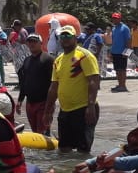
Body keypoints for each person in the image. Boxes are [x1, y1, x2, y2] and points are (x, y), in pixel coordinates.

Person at [43, 25, 100, 153]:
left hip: (84, 109)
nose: (65, 39)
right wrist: (47, 111)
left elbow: (93, 81)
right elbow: (53, 87)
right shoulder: (58, 60)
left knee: (82, 151)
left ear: (75, 38)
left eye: (68, 36)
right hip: (65, 111)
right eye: (62, 36)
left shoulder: (84, 56)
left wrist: (90, 106)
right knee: (63, 149)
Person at [17, 33, 54, 135]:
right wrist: (20, 100)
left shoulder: (48, 59)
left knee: (42, 133)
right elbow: (24, 82)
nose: (32, 44)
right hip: (30, 103)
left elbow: (54, 83)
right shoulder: (27, 60)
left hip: (44, 103)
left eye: (34, 41)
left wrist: (50, 106)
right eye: (29, 42)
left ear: (41, 43)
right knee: (35, 133)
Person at [108, 12, 132, 92]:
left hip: (122, 52)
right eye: (114, 18)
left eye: (116, 18)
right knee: (117, 70)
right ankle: (119, 84)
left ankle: (123, 86)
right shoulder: (114, 28)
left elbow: (128, 41)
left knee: (122, 69)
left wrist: (127, 52)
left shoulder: (125, 28)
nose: (115, 19)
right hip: (115, 52)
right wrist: (111, 52)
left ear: (120, 18)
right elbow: (113, 41)